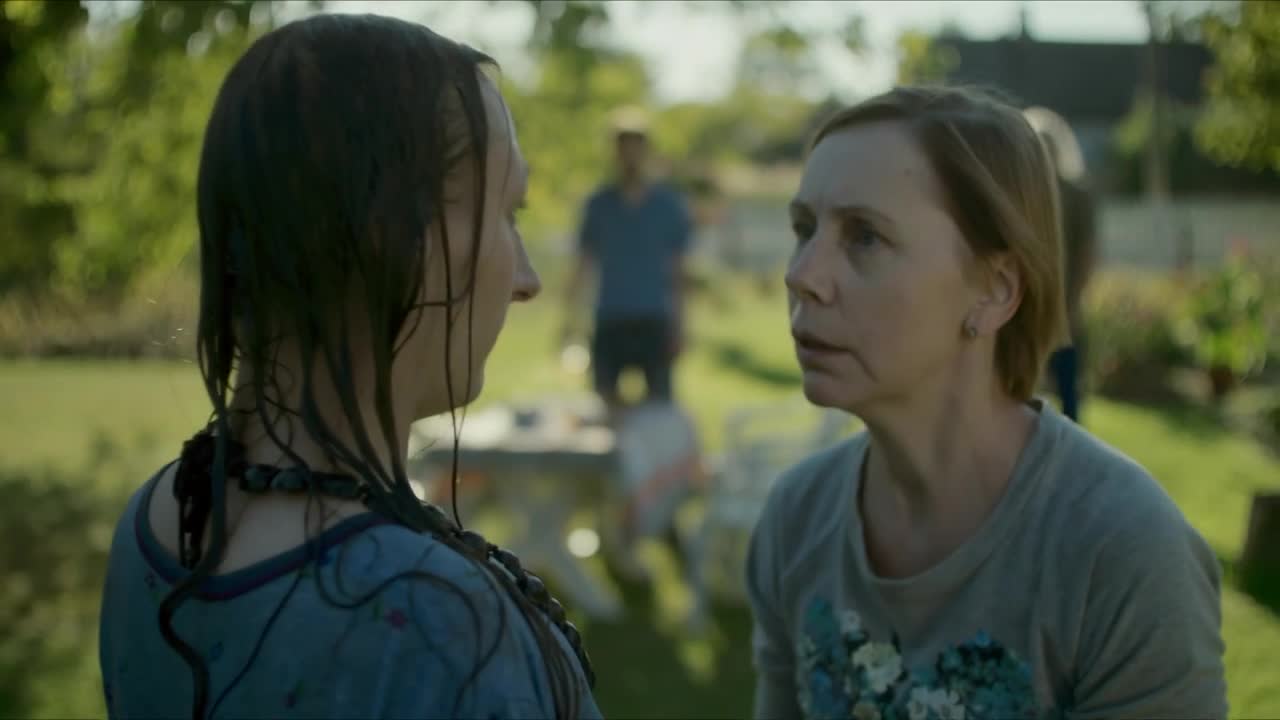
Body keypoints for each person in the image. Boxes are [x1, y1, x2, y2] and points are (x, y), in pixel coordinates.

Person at [97, 14, 600, 720]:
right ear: (392, 237)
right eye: (507, 213)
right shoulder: (438, 626)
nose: (526, 279)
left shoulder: (157, 521)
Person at [746, 86, 1226, 719]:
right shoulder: (796, 518)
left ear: (995, 290)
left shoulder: (1123, 553)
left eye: (864, 236)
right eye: (804, 229)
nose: (801, 274)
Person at [565, 108, 693, 415]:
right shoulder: (598, 204)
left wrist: (681, 325)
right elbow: (583, 264)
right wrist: (569, 321)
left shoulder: (668, 205)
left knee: (659, 408)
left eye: (637, 148)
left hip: (654, 319)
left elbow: (678, 271)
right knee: (604, 405)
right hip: (610, 318)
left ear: (647, 151)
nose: (630, 156)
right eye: (624, 148)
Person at [1024, 106, 1098, 423]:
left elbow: (1087, 252)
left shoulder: (1077, 195)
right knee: (1022, 393)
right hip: (1027, 306)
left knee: (1069, 392)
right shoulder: (1024, 194)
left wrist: (1072, 302)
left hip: (1065, 307)